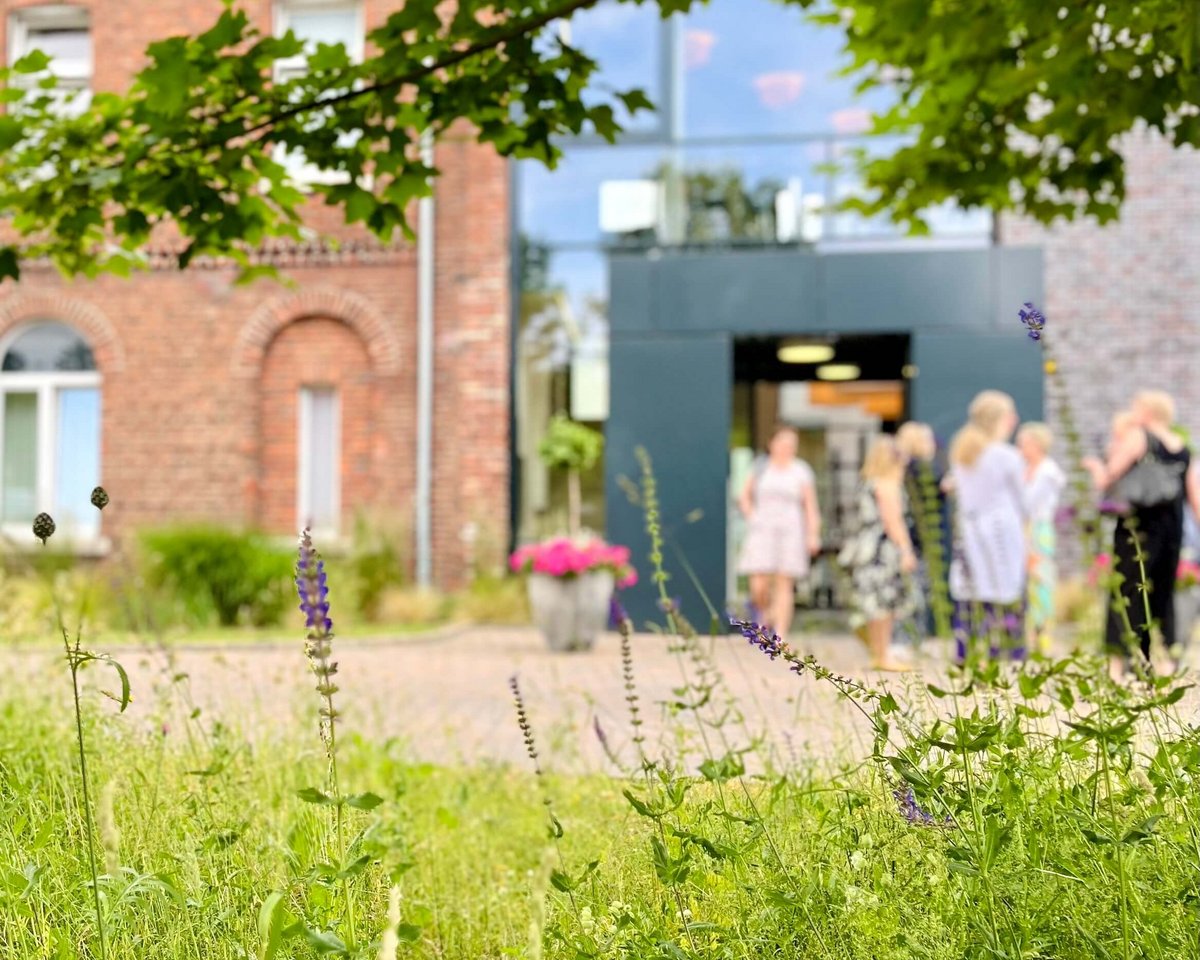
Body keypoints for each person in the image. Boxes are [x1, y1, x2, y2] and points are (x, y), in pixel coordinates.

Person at [1084, 390, 1190, 674]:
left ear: (1147, 412)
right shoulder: (1181, 444)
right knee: (1162, 591)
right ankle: (1162, 660)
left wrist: (1095, 468)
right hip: (1171, 526)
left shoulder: (1139, 436)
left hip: (1138, 523)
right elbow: (1193, 494)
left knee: (1127, 588)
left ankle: (1117, 665)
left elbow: (1110, 476)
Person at [947, 390, 1028, 662]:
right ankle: (1005, 654)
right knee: (1004, 593)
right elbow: (1023, 500)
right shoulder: (1006, 455)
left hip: (970, 529)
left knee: (971, 593)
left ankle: (966, 653)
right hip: (1001, 532)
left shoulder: (963, 452)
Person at [839, 434, 919, 672]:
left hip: (866, 548)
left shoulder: (868, 482)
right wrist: (906, 550)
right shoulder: (887, 485)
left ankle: (878, 653)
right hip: (883, 551)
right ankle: (884, 654)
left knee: (874, 603)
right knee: (886, 602)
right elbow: (893, 521)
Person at [736, 425, 822, 639]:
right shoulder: (760, 467)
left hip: (791, 529)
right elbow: (743, 496)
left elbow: (810, 505)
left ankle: (781, 633)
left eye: (791, 444)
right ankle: (765, 613)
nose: (787, 447)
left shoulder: (801, 470)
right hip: (762, 527)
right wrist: (751, 516)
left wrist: (813, 534)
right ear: (772, 444)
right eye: (783, 442)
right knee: (759, 583)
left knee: (784, 582)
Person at [893, 421, 950, 645]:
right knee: (915, 592)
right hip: (919, 537)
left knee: (911, 590)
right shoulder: (920, 468)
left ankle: (908, 639)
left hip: (913, 536)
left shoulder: (905, 467)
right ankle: (906, 640)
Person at [1016, 422, 1067, 654]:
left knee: (1041, 580)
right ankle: (1027, 632)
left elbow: (1029, 504)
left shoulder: (1048, 472)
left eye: (1023, 443)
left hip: (1038, 529)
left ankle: (1043, 634)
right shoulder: (1024, 469)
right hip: (1022, 528)